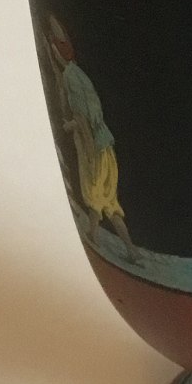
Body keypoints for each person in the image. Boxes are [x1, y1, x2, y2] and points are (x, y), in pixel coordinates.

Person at [45, 16, 142, 265]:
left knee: (96, 199)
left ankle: (98, 237)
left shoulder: (71, 78)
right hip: (105, 147)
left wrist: (75, 134)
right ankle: (126, 248)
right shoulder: (77, 74)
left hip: (94, 150)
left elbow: (81, 118)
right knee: (107, 202)